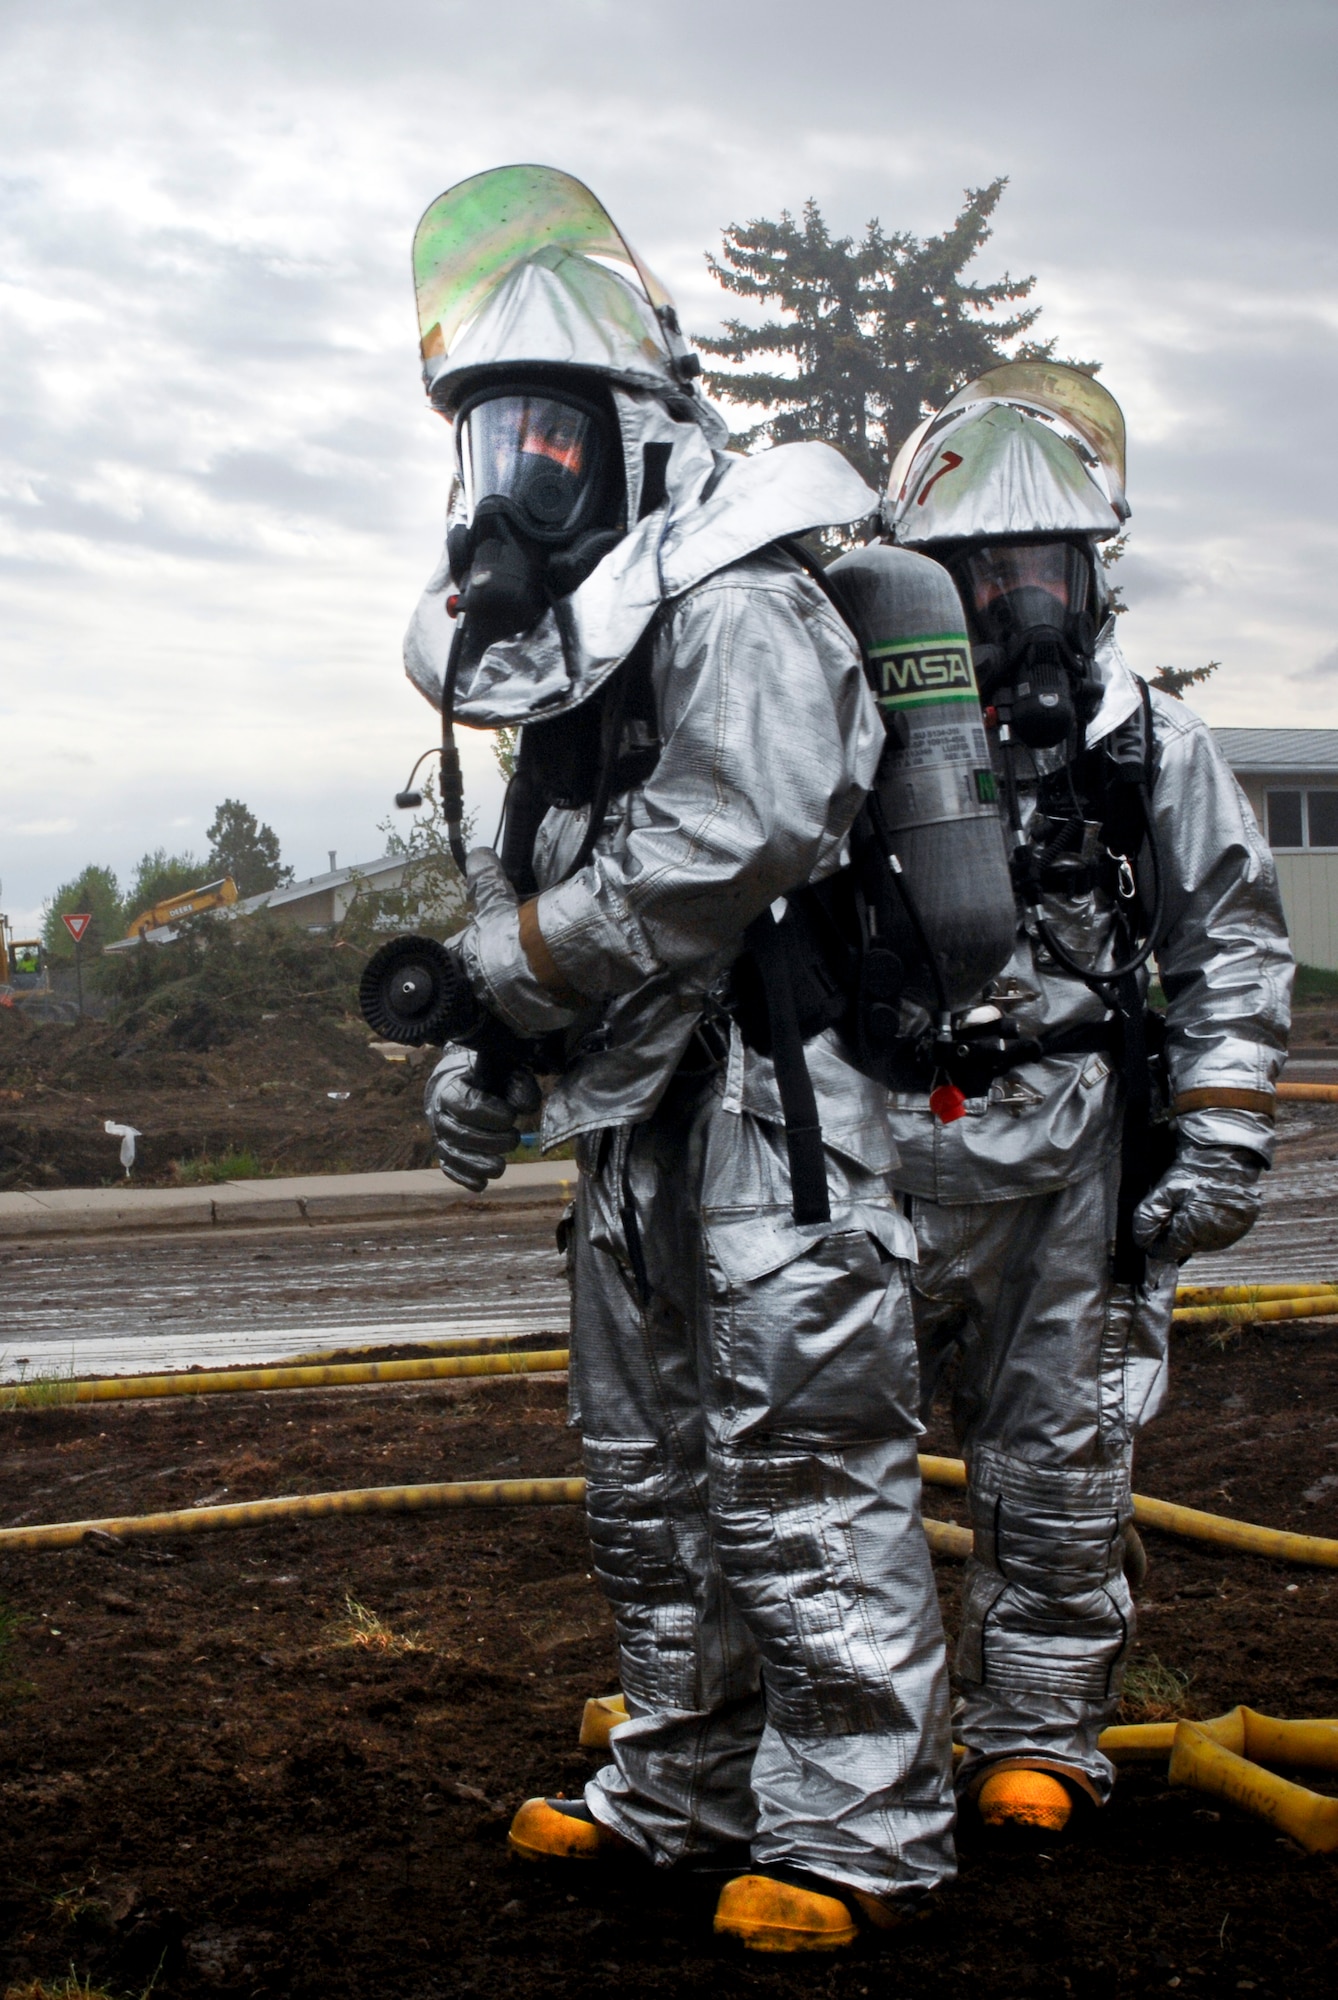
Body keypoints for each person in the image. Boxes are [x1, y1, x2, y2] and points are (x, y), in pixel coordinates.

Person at [403, 165, 956, 1951]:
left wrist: (512, 974)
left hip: (775, 1109)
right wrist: (493, 1043)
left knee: (800, 1461)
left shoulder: (739, 604)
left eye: (551, 443)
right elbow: (548, 872)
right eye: (496, 450)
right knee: (643, 1470)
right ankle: (687, 1780)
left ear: (639, 440)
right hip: (639, 1121)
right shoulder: (578, 658)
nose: (520, 484)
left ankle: (856, 1831)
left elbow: (731, 840)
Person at [880, 363, 1293, 1831]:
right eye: (979, 575)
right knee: (824, 1468)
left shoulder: (1146, 753)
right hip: (873, 1150)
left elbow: (1228, 939)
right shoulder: (853, 742)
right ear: (924, 583)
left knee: (1058, 1463)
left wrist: (1225, 1126)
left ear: (1091, 571)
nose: (1017, 603)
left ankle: (1035, 1740)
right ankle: (851, 1743)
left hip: (1073, 1161)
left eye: (1042, 565)